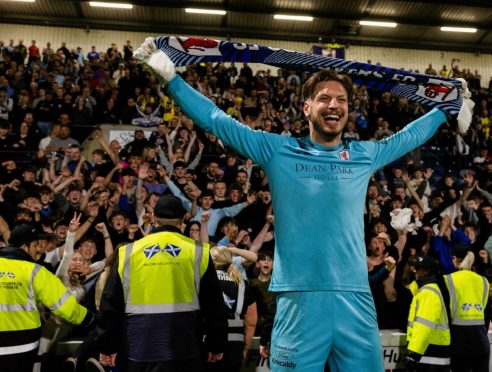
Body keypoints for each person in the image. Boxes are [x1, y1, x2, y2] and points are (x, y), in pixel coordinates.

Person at [135, 38, 458, 371]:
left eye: (341, 100)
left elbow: (407, 137)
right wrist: (172, 81)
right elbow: (218, 121)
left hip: (356, 299)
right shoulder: (277, 151)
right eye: (324, 98)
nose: (334, 105)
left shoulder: (364, 155)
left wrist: (446, 107)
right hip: (298, 301)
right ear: (307, 108)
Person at [96, 195, 228, 370]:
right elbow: (214, 305)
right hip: (185, 348)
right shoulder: (199, 252)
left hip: (139, 349)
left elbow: (110, 305)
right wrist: (215, 344)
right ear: (182, 220)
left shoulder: (128, 252)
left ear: (152, 217)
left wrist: (108, 347)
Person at [0, 224, 90, 372]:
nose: (39, 249)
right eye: (36, 245)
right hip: (22, 346)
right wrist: (89, 318)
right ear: (24, 246)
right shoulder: (35, 271)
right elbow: (64, 305)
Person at [444, 243, 491, 372]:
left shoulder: (448, 280)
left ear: (455, 259)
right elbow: (487, 314)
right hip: (481, 341)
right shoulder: (484, 281)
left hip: (458, 341)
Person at [403, 256, 451, 372]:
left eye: (418, 268)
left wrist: (413, 353)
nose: (415, 271)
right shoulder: (427, 290)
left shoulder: (428, 292)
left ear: (426, 272)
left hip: (430, 355)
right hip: (430, 353)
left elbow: (424, 326)